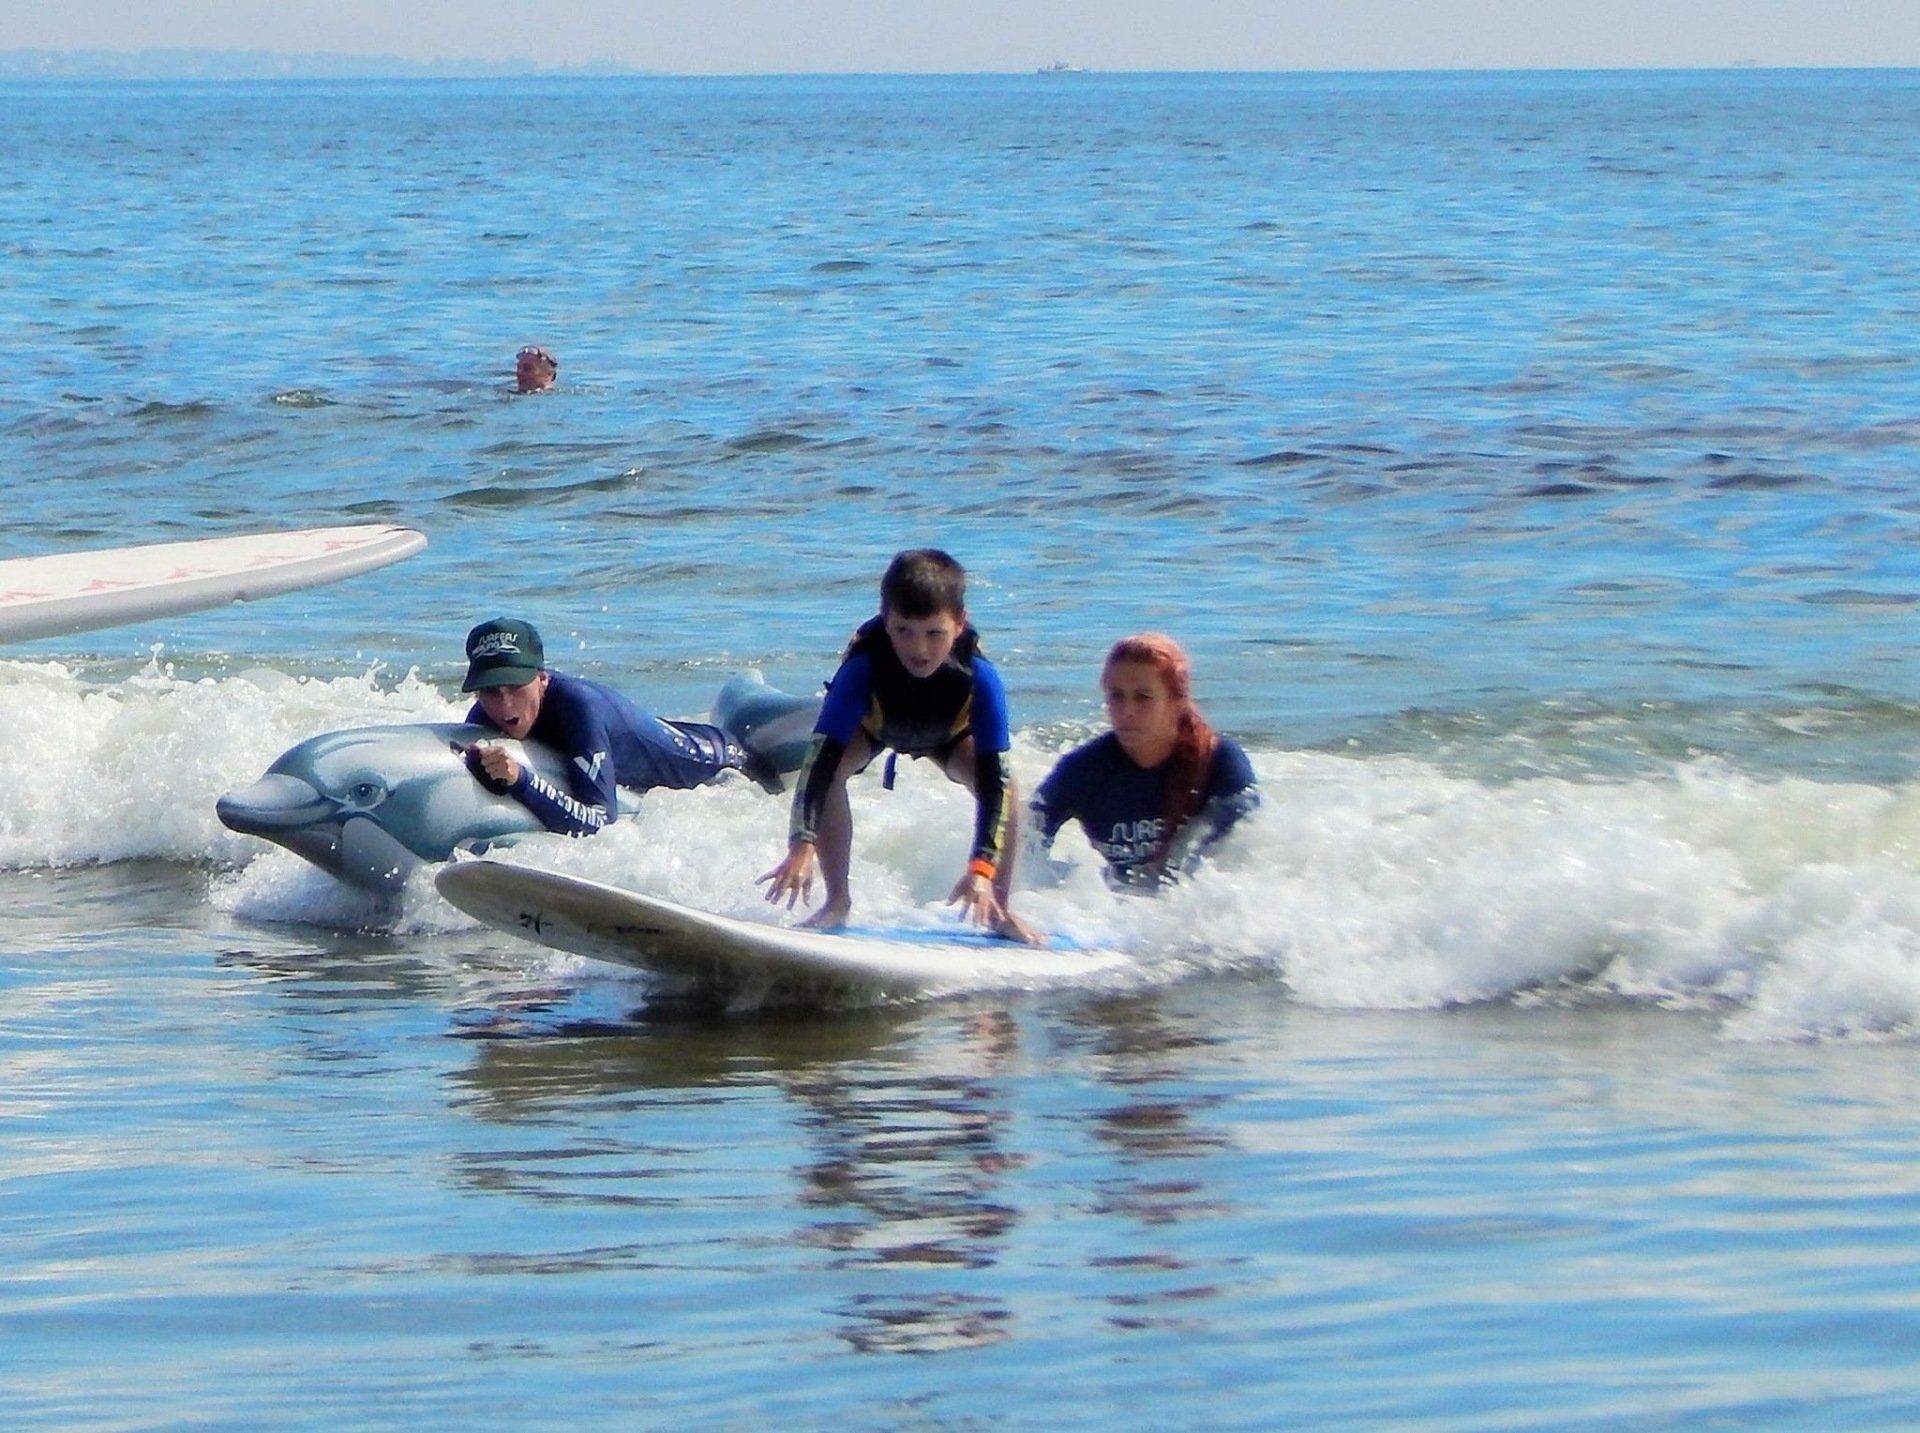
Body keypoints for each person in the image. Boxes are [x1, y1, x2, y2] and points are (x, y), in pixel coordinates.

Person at [758, 549, 1037, 942]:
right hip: (874, 728)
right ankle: (837, 902)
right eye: (904, 630)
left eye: (934, 634)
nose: (919, 649)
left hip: (950, 736)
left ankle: (998, 909)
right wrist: (801, 845)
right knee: (833, 773)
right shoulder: (863, 667)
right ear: (886, 619)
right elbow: (819, 763)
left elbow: (994, 781)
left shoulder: (979, 676)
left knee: (1008, 788)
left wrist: (981, 867)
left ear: (959, 623)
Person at [460, 617, 766, 836]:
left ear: (542, 678)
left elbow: (600, 823)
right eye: (491, 690)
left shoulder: (581, 709)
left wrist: (521, 780)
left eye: (515, 687)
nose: (505, 705)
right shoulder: (483, 715)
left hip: (728, 767)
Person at [1026, 633, 1258, 890]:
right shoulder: (1082, 770)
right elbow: (1023, 841)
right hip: (1115, 906)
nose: (1127, 711)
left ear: (1176, 702)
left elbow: (1250, 862)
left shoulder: (1220, 762)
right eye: (1117, 695)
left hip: (1199, 906)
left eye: (1143, 697)